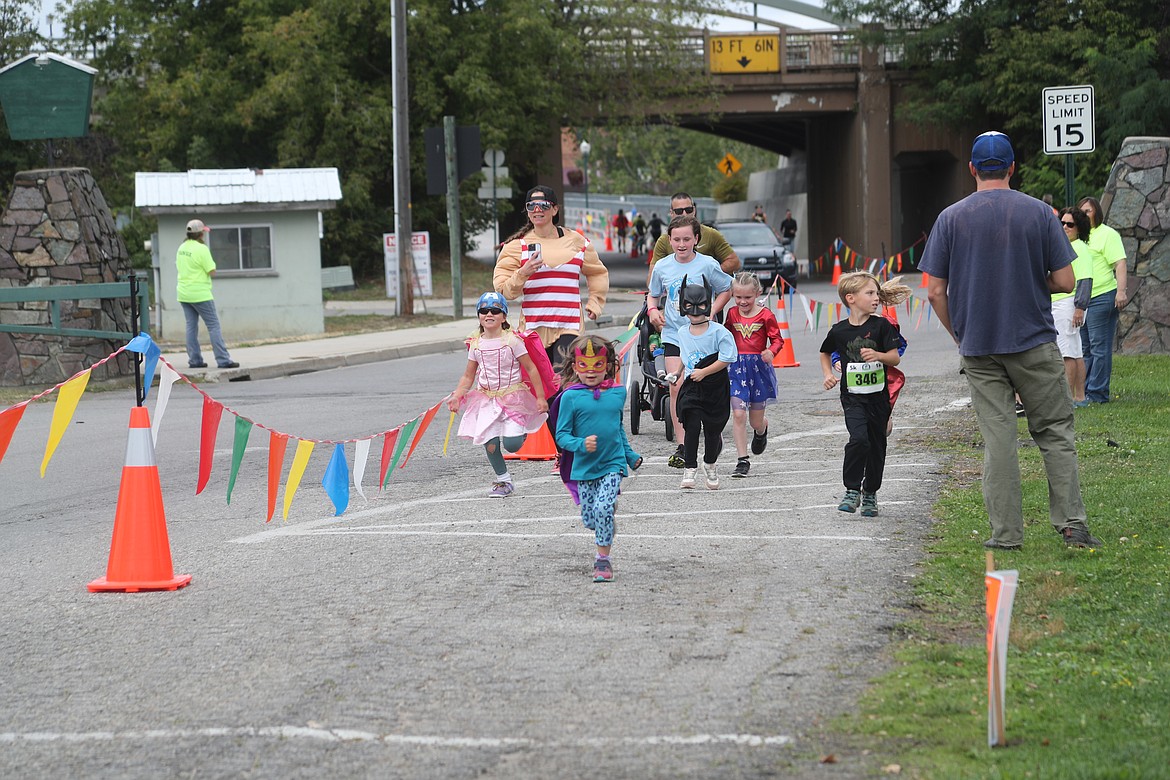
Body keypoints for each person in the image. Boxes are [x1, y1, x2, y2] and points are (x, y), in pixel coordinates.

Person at [919, 130, 1102, 550]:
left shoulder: (950, 218)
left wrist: (960, 334)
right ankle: (1072, 525)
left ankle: (1005, 535)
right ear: (1013, 168)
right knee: (1055, 430)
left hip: (980, 346)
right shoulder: (1040, 213)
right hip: (1034, 340)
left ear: (972, 170)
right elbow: (1066, 280)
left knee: (998, 438)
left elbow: (933, 291)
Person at [819, 272, 910, 517]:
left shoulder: (881, 326)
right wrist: (828, 373)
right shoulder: (839, 330)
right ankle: (851, 489)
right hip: (852, 397)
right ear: (851, 298)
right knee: (859, 440)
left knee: (877, 446)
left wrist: (879, 356)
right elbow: (825, 352)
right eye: (869, 293)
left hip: (879, 398)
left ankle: (870, 492)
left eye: (876, 293)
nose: (875, 298)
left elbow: (895, 357)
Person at [553, 335, 643, 583]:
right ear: (574, 367)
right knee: (590, 519)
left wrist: (629, 455)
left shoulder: (617, 394)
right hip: (584, 467)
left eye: (598, 365)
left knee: (602, 508)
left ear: (608, 365)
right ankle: (605, 520)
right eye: (584, 366)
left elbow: (618, 428)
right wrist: (580, 444)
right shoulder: (570, 397)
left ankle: (603, 561)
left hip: (612, 464)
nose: (591, 372)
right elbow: (561, 435)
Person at [647, 215, 734, 468]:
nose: (682, 244)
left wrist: (712, 312)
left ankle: (713, 435)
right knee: (678, 385)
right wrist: (653, 311)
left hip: (704, 335)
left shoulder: (707, 264)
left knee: (706, 386)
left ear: (697, 239)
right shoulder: (662, 267)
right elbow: (653, 296)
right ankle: (684, 446)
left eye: (687, 239)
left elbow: (726, 288)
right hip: (674, 333)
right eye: (676, 239)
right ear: (669, 240)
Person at [494, 186, 609, 371]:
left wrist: (595, 302)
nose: (537, 210)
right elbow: (503, 291)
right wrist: (523, 273)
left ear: (555, 209)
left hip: (569, 325)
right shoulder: (516, 246)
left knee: (561, 377)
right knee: (541, 387)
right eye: (531, 206)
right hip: (533, 328)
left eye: (543, 205)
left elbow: (597, 272)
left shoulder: (577, 241)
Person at [447, 292, 549, 498]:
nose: (489, 314)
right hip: (486, 399)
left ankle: (522, 432)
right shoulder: (475, 344)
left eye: (495, 310)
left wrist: (540, 397)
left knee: (512, 445)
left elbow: (531, 369)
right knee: (490, 442)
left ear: (503, 317)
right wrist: (458, 396)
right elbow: (468, 376)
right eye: (484, 311)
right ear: (479, 316)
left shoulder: (512, 341)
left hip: (513, 398)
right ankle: (503, 480)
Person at [674, 278, 737, 490]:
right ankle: (689, 467)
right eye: (689, 306)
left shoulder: (719, 332)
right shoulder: (682, 332)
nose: (694, 311)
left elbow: (728, 357)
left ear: (708, 305)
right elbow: (686, 356)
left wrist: (705, 372)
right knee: (691, 425)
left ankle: (710, 463)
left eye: (699, 306)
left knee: (713, 429)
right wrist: (678, 372)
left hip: (716, 387)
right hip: (692, 385)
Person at [725, 272, 781, 478]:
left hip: (758, 370)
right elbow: (725, 336)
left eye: (747, 297)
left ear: (758, 293)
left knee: (754, 421)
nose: (742, 301)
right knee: (738, 413)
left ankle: (761, 429)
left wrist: (771, 351)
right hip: (736, 370)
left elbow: (777, 340)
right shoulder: (731, 314)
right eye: (738, 297)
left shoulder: (766, 316)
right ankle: (742, 460)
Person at [1076, 196, 1129, 405]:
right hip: (1081, 300)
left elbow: (1120, 263)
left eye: (1088, 211)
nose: (1084, 214)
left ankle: (1098, 394)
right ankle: (1085, 391)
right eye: (1081, 211)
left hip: (1102, 296)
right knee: (1084, 349)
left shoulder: (1107, 235)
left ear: (1097, 212)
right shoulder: (1078, 237)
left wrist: (1121, 291)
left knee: (1099, 348)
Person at [176, 219, 239, 369]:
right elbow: (211, 270)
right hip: (200, 293)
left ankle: (195, 360)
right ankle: (223, 360)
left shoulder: (181, 248)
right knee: (213, 326)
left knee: (191, 327)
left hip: (184, 293)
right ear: (200, 233)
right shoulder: (201, 249)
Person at [648, 192, 741, 284]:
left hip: (706, 296)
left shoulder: (711, 234)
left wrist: (709, 274)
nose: (684, 214)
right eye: (679, 211)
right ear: (671, 213)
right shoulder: (663, 241)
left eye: (688, 210)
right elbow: (652, 281)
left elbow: (734, 262)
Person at [1054, 207, 1095, 406]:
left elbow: (1086, 279)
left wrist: (1080, 307)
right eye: (1062, 222)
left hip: (1068, 304)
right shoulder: (1071, 247)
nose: (1064, 227)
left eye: (1070, 224)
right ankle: (1079, 396)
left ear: (1079, 228)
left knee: (1066, 353)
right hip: (1068, 305)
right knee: (1076, 351)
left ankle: (1067, 399)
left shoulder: (1078, 248)